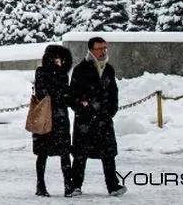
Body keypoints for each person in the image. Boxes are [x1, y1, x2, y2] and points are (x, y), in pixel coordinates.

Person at [68, 37, 126, 197]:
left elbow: (113, 93)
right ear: (91, 50)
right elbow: (72, 96)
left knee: (108, 154)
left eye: (105, 48)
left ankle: (113, 186)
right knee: (80, 155)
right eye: (99, 48)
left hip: (104, 119)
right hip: (85, 120)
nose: (103, 51)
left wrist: (110, 111)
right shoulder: (80, 69)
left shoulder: (109, 69)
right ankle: (75, 186)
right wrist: (82, 107)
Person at [32, 44, 73, 197]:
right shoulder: (41, 72)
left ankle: (68, 185)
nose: (59, 61)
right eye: (56, 58)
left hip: (61, 118)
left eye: (61, 58)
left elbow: (65, 94)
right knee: (42, 153)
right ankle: (40, 185)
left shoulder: (63, 74)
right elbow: (42, 92)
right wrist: (60, 95)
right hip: (46, 117)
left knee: (65, 153)